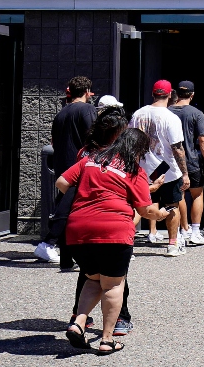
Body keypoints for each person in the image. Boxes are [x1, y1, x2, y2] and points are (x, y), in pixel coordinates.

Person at [58, 128, 172, 355]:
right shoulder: (134, 170)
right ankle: (107, 339)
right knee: (112, 284)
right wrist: (161, 215)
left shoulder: (90, 161)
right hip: (113, 232)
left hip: (78, 230)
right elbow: (145, 209)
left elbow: (61, 182)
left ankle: (78, 322)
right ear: (138, 151)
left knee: (92, 279)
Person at [63, 102, 137, 337]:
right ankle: (119, 321)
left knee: (88, 274)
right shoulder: (122, 155)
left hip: (82, 222)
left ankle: (79, 317)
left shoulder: (85, 153)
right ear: (117, 132)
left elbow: (64, 183)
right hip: (113, 221)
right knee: (116, 278)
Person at [36, 76, 96, 263]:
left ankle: (65, 252)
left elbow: (54, 141)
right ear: (87, 92)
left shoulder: (61, 114)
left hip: (63, 164)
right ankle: (48, 243)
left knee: (66, 203)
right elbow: (93, 137)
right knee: (68, 205)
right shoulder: (87, 109)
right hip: (79, 165)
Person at [129, 80, 189, 256]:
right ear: (170, 95)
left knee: (138, 206)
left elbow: (130, 141)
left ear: (152, 94)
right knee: (172, 205)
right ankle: (172, 244)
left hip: (142, 168)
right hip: (167, 169)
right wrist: (185, 173)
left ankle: (124, 241)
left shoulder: (138, 114)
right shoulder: (171, 118)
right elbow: (177, 148)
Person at [169, 81, 204, 246]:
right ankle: (195, 231)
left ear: (177, 93)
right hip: (192, 159)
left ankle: (179, 231)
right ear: (192, 95)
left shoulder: (167, 112)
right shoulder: (197, 113)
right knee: (197, 194)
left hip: (171, 161)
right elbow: (203, 139)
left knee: (177, 195)